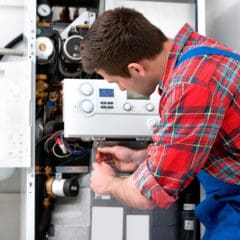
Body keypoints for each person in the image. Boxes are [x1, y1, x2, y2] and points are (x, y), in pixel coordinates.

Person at [80, 7, 240, 240]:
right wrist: (140, 157)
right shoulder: (198, 53)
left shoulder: (190, 85)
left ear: (136, 69)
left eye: (116, 82)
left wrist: (108, 184)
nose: (122, 90)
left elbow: (148, 196)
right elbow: (192, 141)